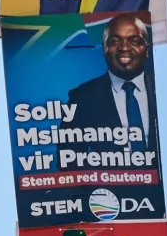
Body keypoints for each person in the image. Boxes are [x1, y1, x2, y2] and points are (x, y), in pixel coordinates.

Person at [67, 14, 158, 152]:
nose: (124, 48)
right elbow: (68, 159)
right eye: (114, 41)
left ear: (146, 50)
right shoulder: (81, 98)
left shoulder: (164, 90)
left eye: (134, 41)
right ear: (104, 48)